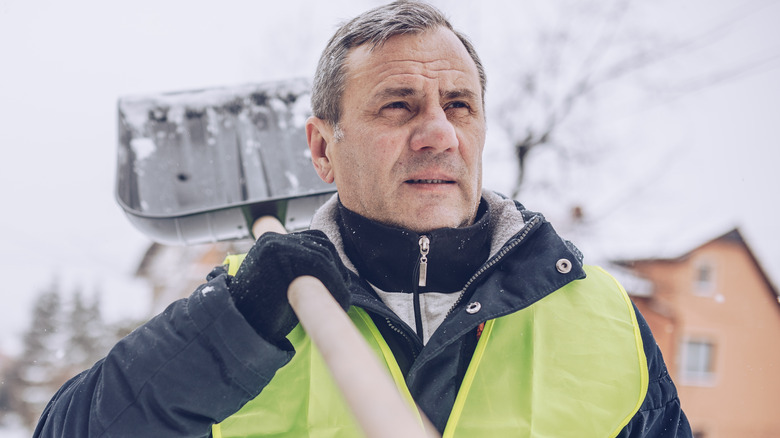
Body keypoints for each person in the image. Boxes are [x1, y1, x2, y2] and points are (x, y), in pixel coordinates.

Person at [35, 1, 692, 437]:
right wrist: (229, 325)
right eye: (398, 106)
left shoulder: (598, 313)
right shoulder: (248, 307)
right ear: (322, 148)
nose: (438, 133)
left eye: (459, 105)